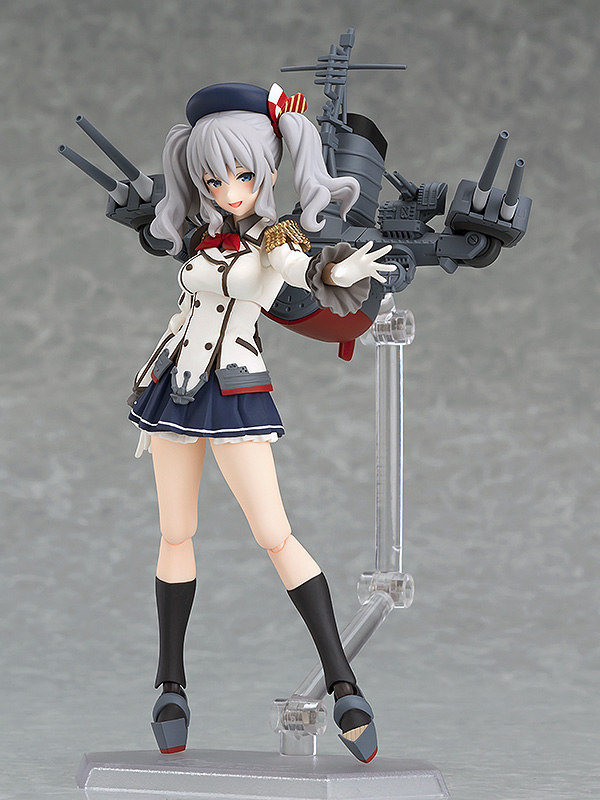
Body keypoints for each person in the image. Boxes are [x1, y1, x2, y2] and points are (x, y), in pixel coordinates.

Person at [128, 82, 392, 763]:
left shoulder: (275, 240)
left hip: (236, 395)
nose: (230, 190)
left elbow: (304, 270)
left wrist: (342, 271)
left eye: (243, 175)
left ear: (268, 171)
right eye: (214, 179)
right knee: (175, 531)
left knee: (275, 533)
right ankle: (170, 684)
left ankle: (343, 684)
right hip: (173, 389)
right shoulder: (199, 235)